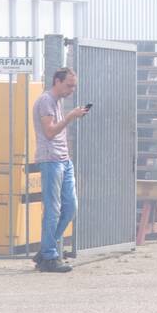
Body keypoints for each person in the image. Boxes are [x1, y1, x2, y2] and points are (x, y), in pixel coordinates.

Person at [31, 68, 89, 273]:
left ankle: (46, 248)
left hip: (64, 159)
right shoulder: (46, 101)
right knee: (53, 209)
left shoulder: (57, 101)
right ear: (57, 81)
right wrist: (70, 117)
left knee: (70, 206)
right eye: (68, 85)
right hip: (50, 160)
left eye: (74, 86)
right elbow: (49, 132)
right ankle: (49, 256)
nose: (71, 90)